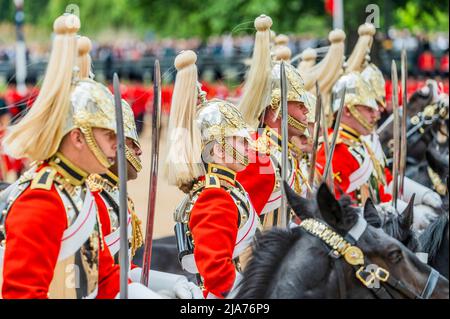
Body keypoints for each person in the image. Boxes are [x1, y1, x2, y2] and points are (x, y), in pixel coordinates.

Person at [0, 13, 158, 299]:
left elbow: (103, 276)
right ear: (77, 137)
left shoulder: (78, 189)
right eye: (109, 135)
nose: (116, 146)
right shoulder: (42, 200)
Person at [166, 50, 260, 299]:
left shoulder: (228, 189)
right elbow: (218, 276)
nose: (249, 147)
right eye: (240, 141)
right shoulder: (214, 197)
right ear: (218, 150)